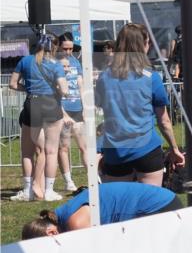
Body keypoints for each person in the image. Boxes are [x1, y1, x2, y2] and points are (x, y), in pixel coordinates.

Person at [96, 23, 185, 187]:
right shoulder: (151, 77)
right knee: (150, 206)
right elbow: (163, 120)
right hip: (146, 150)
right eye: (148, 42)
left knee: (120, 206)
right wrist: (174, 148)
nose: (149, 46)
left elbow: (101, 108)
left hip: (115, 151)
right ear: (142, 44)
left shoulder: (104, 77)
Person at [9, 35, 69, 201]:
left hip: (32, 103)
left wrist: (28, 89)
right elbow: (64, 89)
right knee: (51, 151)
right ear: (53, 48)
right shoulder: (56, 64)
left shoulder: (25, 61)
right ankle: (49, 191)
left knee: (27, 152)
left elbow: (13, 84)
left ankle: (28, 190)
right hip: (50, 105)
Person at [21, 182, 182, 238]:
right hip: (162, 201)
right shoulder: (63, 213)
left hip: (161, 208)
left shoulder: (76, 223)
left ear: (51, 233)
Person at [56, 34, 88, 192]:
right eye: (65, 48)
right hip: (62, 108)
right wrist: (62, 114)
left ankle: (93, 178)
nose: (69, 52)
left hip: (77, 109)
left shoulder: (76, 62)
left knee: (84, 146)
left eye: (71, 48)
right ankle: (68, 181)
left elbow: (81, 85)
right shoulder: (54, 63)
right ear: (58, 47)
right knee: (64, 147)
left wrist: (86, 106)